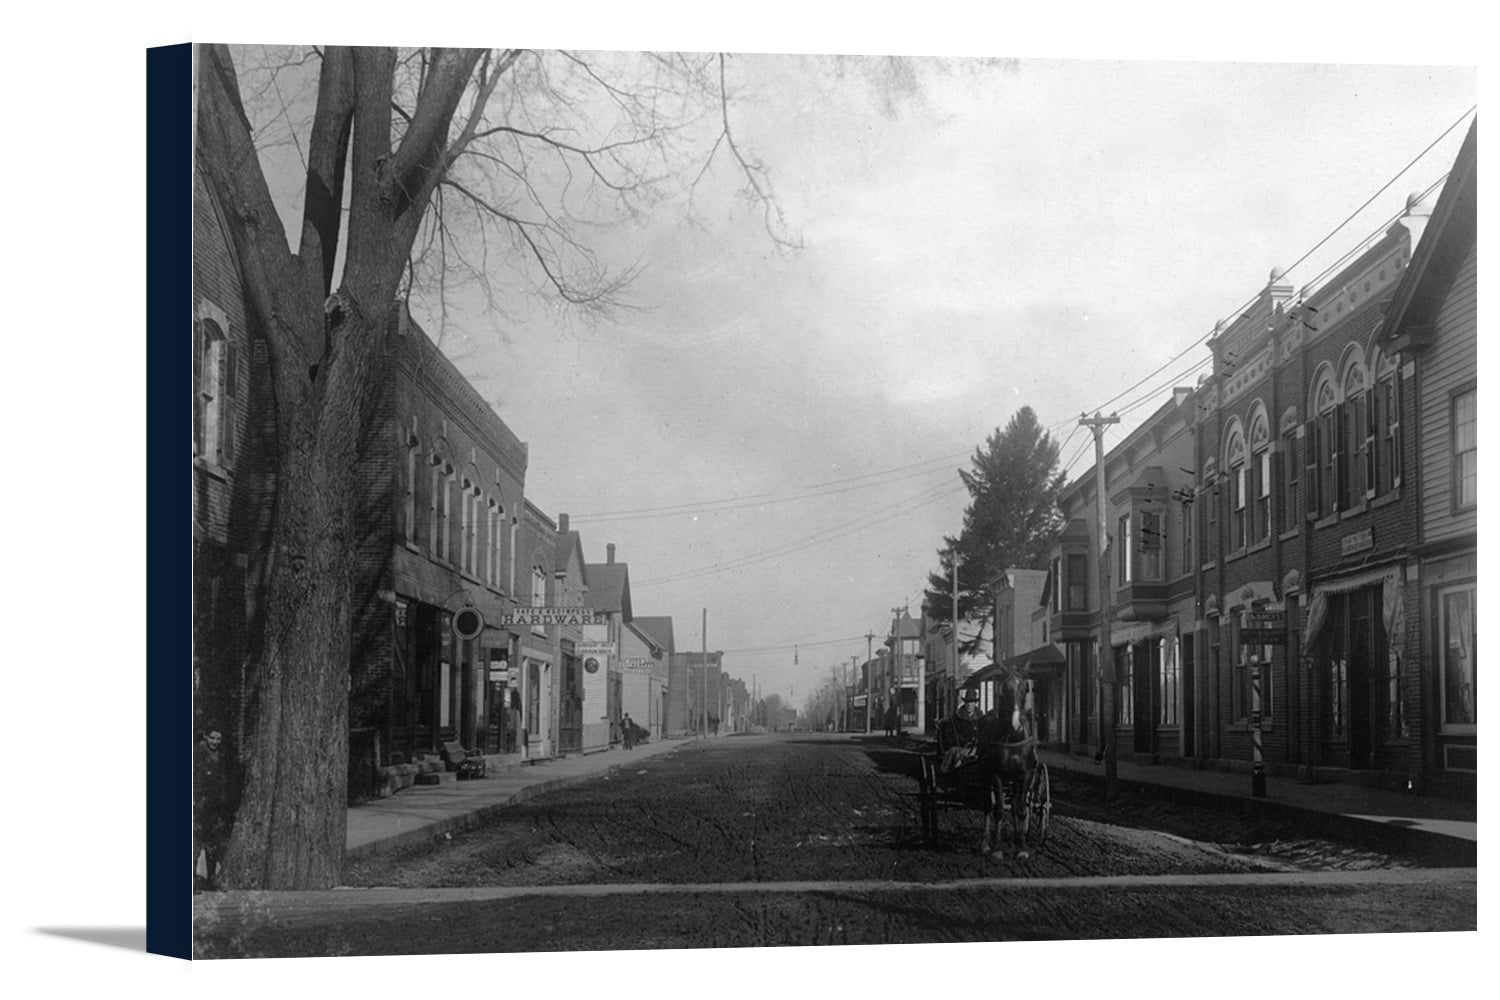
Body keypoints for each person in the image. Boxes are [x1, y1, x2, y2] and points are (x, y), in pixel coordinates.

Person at [194, 726, 230, 891]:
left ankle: (210, 880)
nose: (215, 742)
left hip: (214, 807)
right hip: (199, 805)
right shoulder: (197, 754)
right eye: (212, 738)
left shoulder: (220, 755)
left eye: (218, 739)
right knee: (195, 843)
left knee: (212, 844)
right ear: (205, 737)